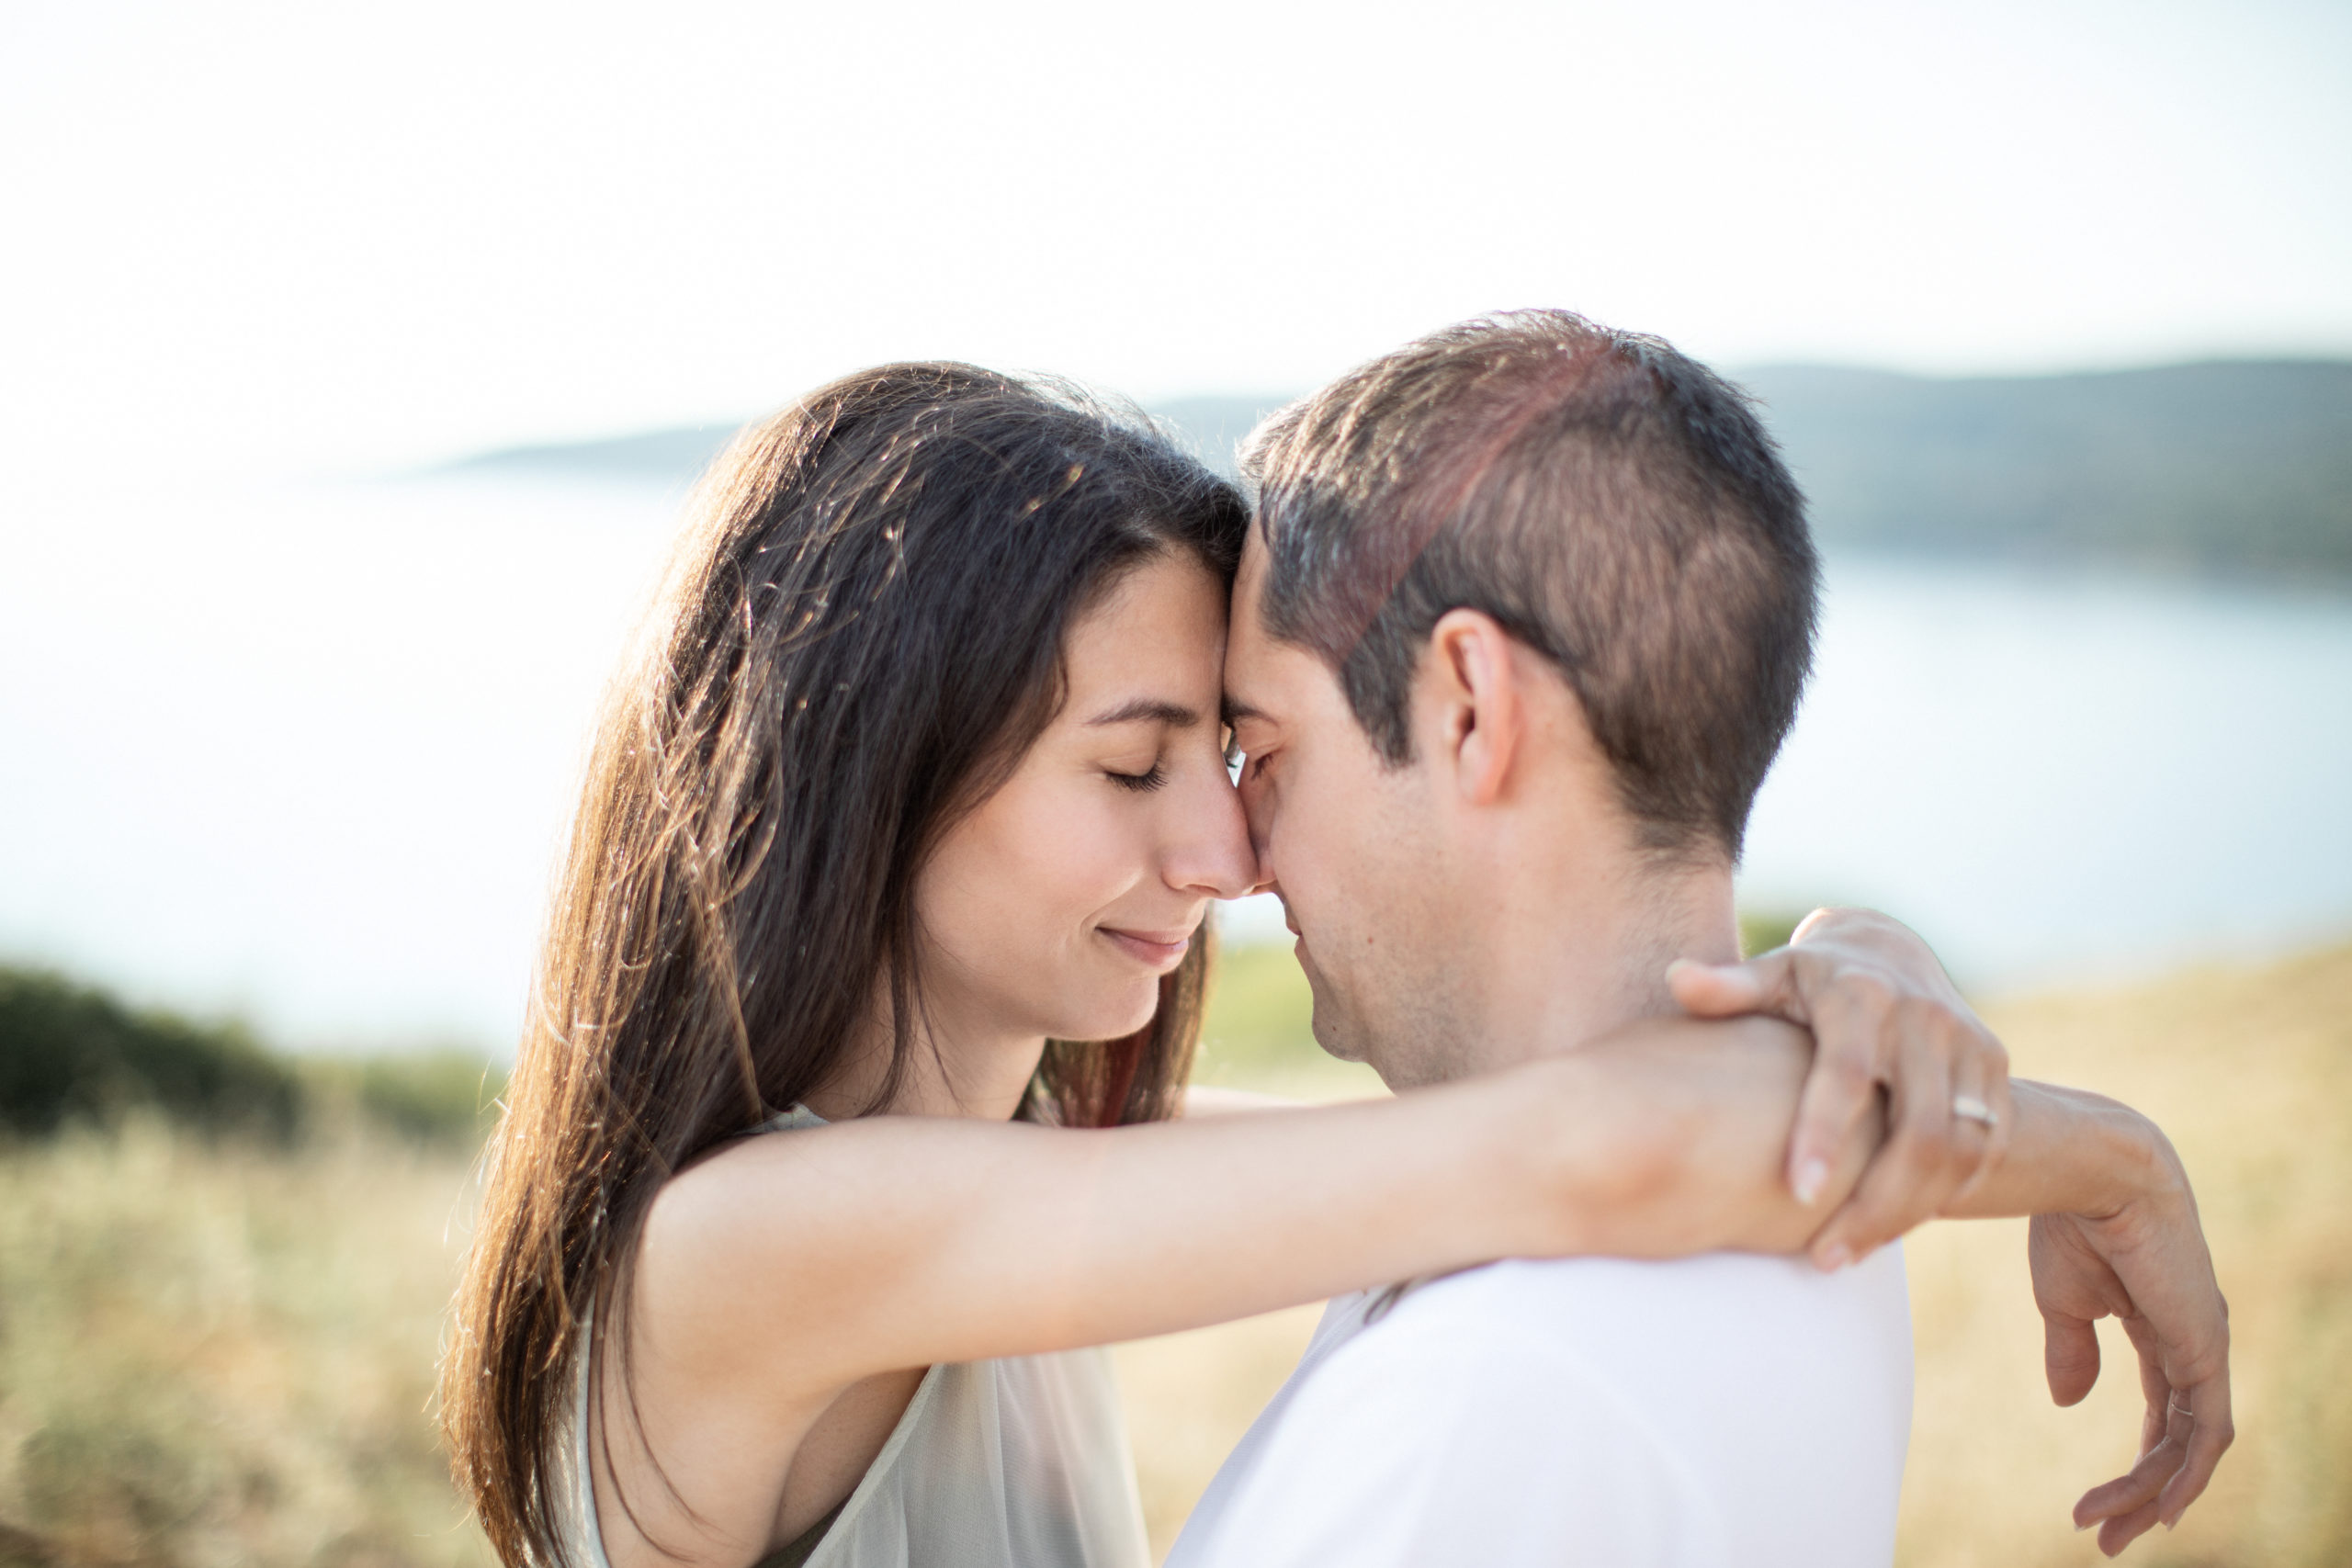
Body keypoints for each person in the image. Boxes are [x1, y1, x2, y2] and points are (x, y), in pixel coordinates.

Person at [435, 360, 2220, 1568]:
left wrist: (1849, 948)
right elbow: (1581, 1141)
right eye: (1130, 765)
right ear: (869, 759)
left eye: (1224, 756)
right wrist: (2108, 1156)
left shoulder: (1052, 1172)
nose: (1219, 856)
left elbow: (1554, 1112)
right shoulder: (759, 1245)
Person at [1168, 310, 2231, 1567]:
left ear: (1468, 712)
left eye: (1265, 751)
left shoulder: (1487, 1417)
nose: (1234, 857)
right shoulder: (1813, 1183)